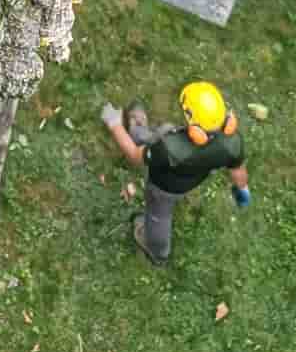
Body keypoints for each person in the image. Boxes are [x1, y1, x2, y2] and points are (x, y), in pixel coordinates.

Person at [101, 81, 251, 265]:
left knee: (158, 216)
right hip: (191, 175)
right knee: (165, 130)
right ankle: (139, 131)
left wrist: (114, 124)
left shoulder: (171, 149)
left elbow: (134, 156)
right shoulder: (232, 142)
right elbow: (238, 171)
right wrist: (242, 190)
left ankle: (157, 251)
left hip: (165, 188)